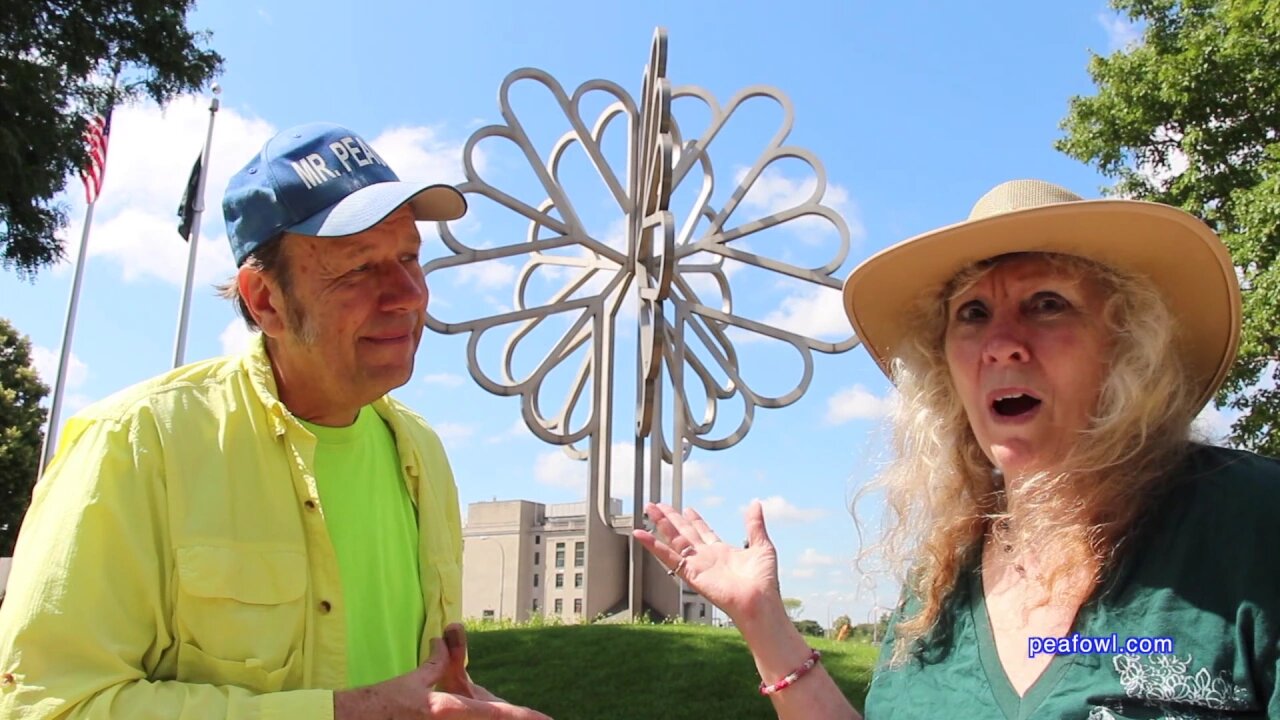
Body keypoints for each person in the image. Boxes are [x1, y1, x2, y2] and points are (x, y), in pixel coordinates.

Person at [637, 179, 1280, 718]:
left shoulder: (1251, 521)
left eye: (1047, 303)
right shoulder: (938, 584)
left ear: (1126, 344)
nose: (1001, 342)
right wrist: (762, 621)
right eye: (972, 313)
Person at [0, 122, 551, 720]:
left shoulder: (422, 452)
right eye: (359, 267)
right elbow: (49, 705)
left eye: (409, 257)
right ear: (264, 299)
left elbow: (418, 686)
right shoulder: (136, 446)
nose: (407, 294)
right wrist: (342, 713)